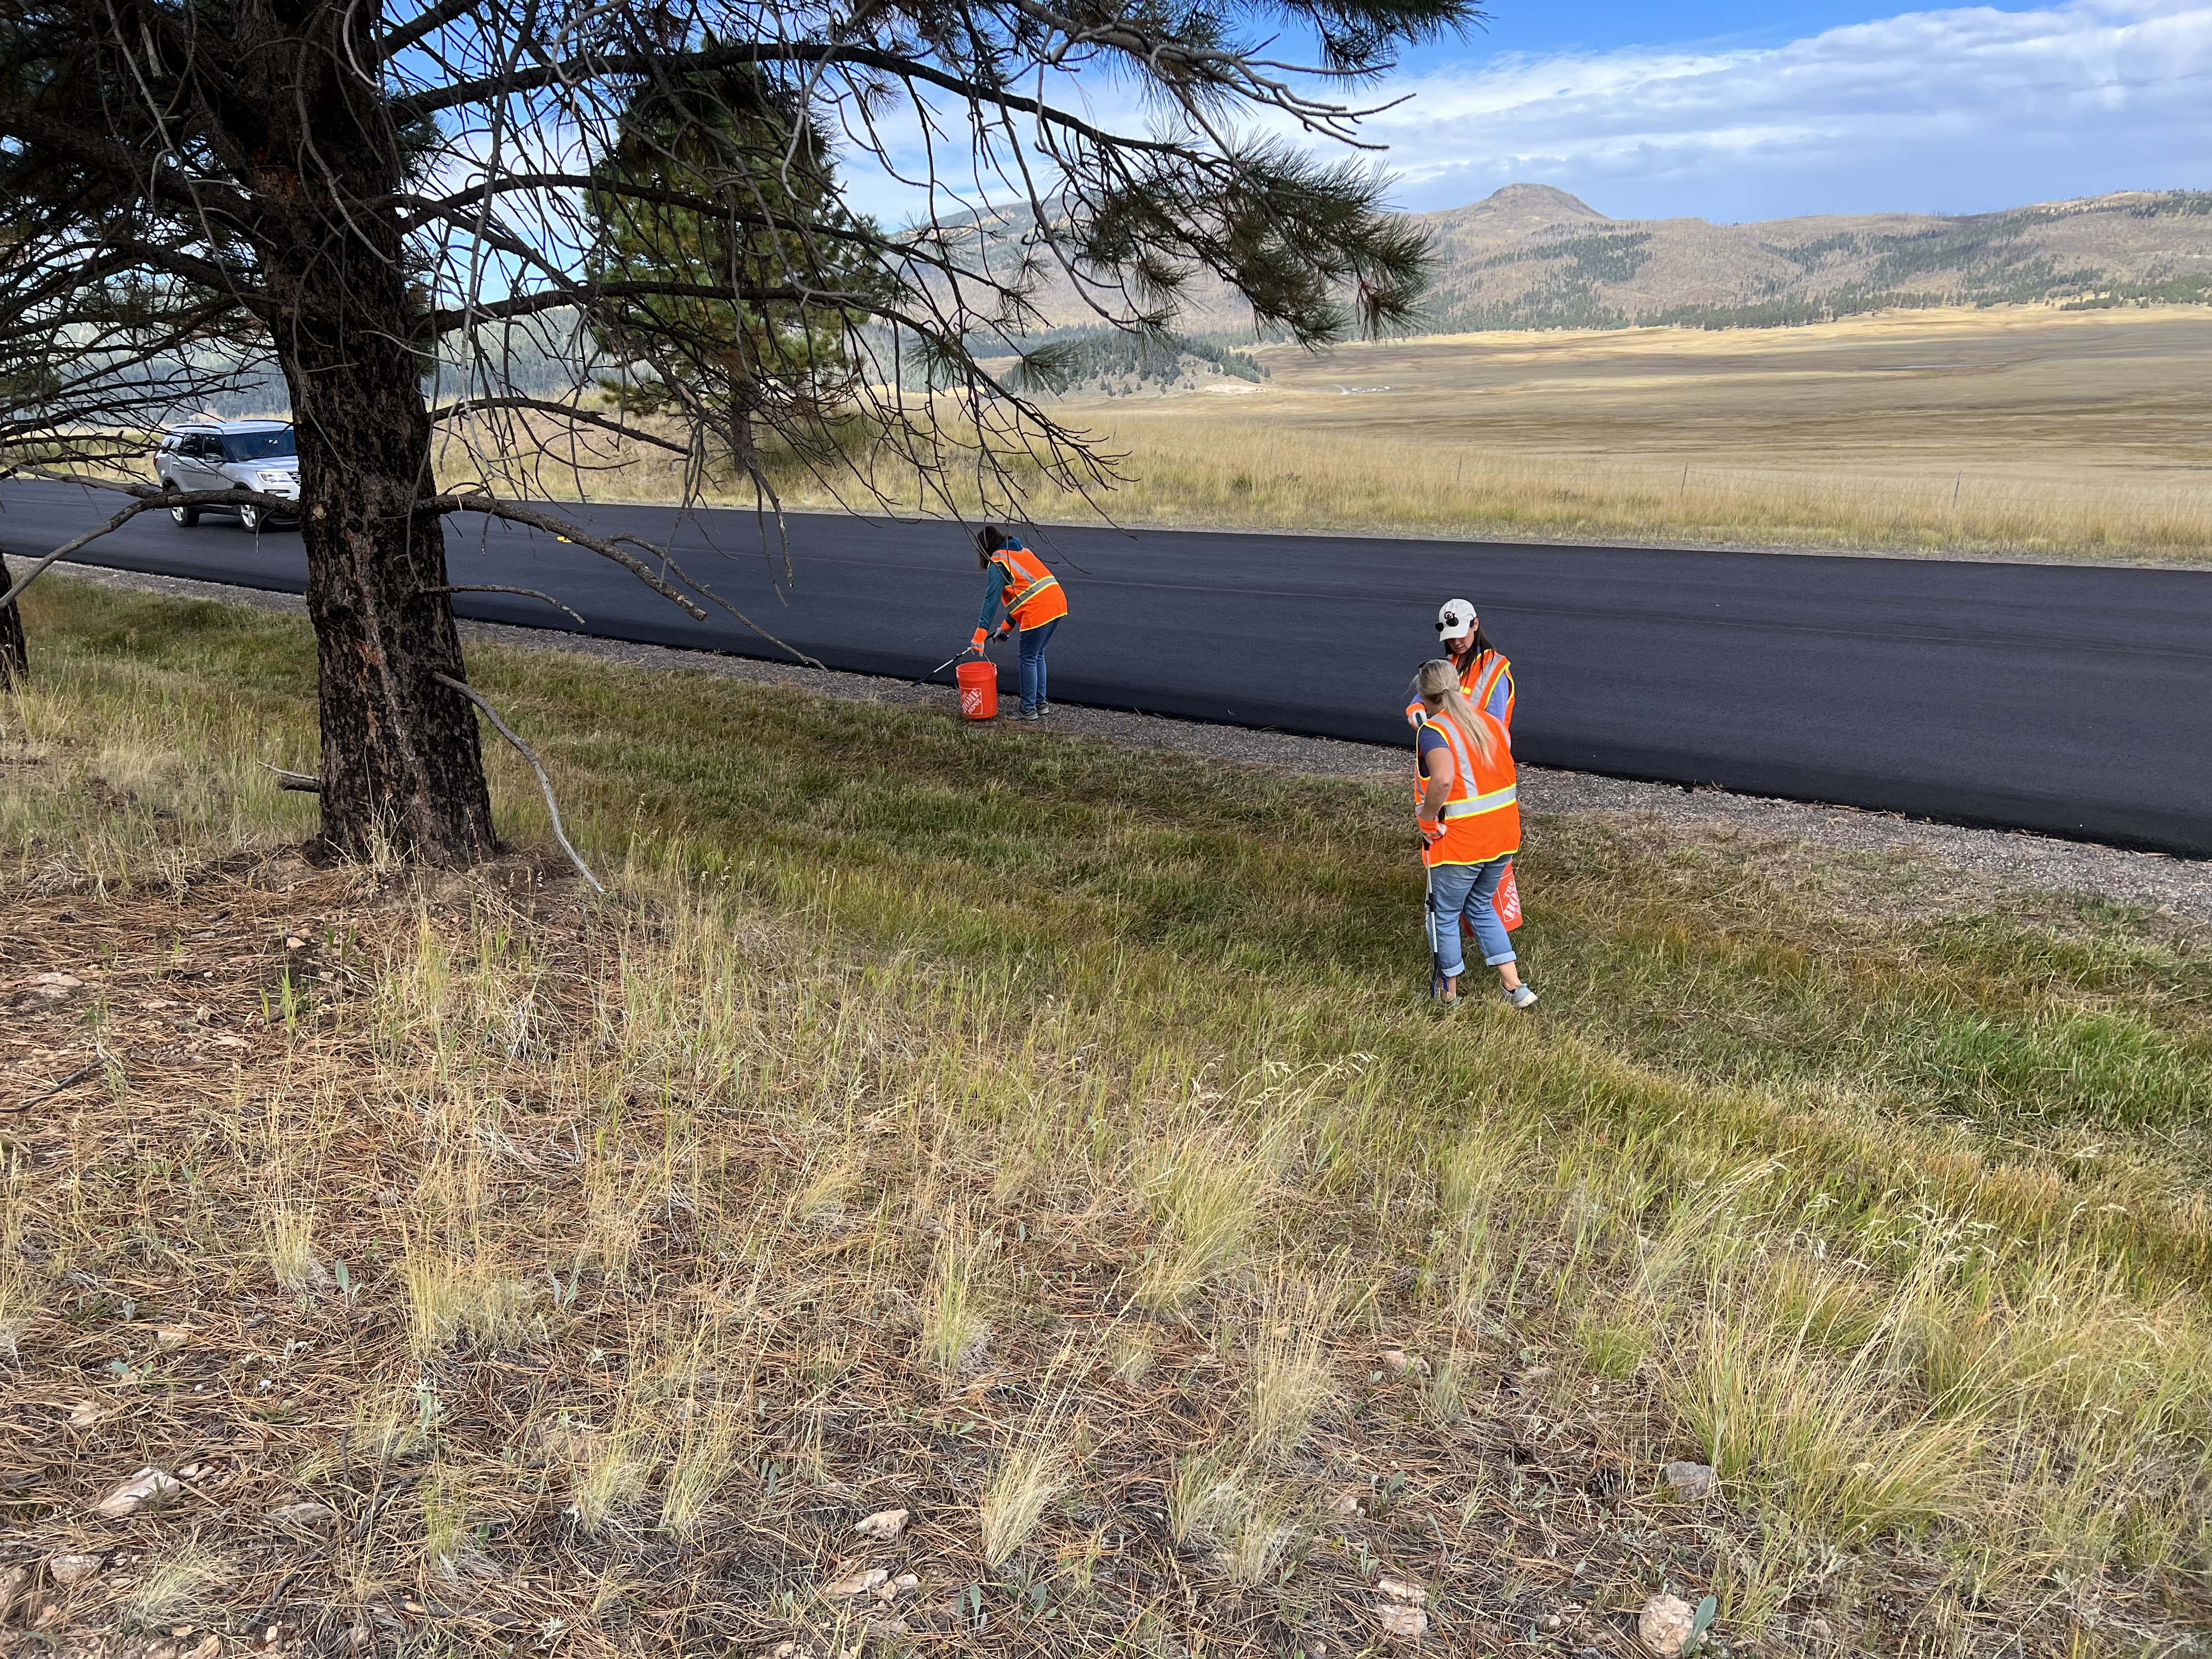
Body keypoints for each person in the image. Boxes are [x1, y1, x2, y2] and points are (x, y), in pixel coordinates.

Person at [1414, 658, 1536, 1009]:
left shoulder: (1435, 731)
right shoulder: (1491, 724)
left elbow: (1443, 778)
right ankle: (1515, 987)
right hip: (1503, 836)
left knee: (1444, 913)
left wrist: (1428, 816)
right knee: (1482, 905)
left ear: (1424, 696)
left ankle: (1448, 993)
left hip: (1461, 842)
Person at [970, 525, 1068, 720]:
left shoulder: (998, 562)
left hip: (1039, 608)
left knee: (1028, 657)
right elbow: (1023, 596)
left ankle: (1028, 709)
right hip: (1057, 602)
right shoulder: (1021, 552)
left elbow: (991, 601)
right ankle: (1040, 704)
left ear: (984, 549)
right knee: (1037, 654)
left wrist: (979, 636)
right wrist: (1005, 630)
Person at [1405, 598, 1514, 733]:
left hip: (1481, 750)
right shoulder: (1451, 662)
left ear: (1475, 625)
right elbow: (1429, 692)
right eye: (1451, 638)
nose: (1456, 643)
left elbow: (1496, 726)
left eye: (1461, 635)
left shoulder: (1495, 670)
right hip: (1454, 744)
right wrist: (1416, 707)